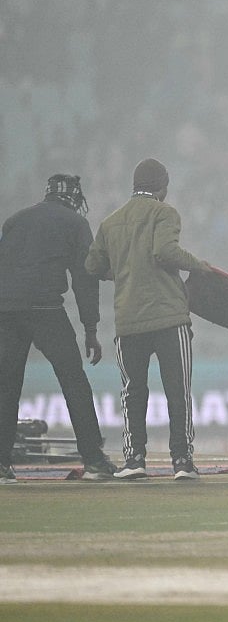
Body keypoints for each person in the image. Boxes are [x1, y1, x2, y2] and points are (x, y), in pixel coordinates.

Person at [86, 158, 211, 480]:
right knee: (177, 391)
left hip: (128, 320)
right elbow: (165, 252)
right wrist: (199, 265)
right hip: (169, 318)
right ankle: (182, 461)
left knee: (133, 392)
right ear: (163, 187)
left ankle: (134, 460)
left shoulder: (111, 223)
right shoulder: (164, 213)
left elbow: (92, 267)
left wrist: (124, 273)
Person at [0, 175, 119, 483]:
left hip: (7, 309)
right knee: (73, 381)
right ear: (73, 198)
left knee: (6, 386)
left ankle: (1, 464)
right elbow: (84, 278)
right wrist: (90, 328)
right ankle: (93, 459)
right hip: (46, 309)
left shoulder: (14, 221)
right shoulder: (75, 223)